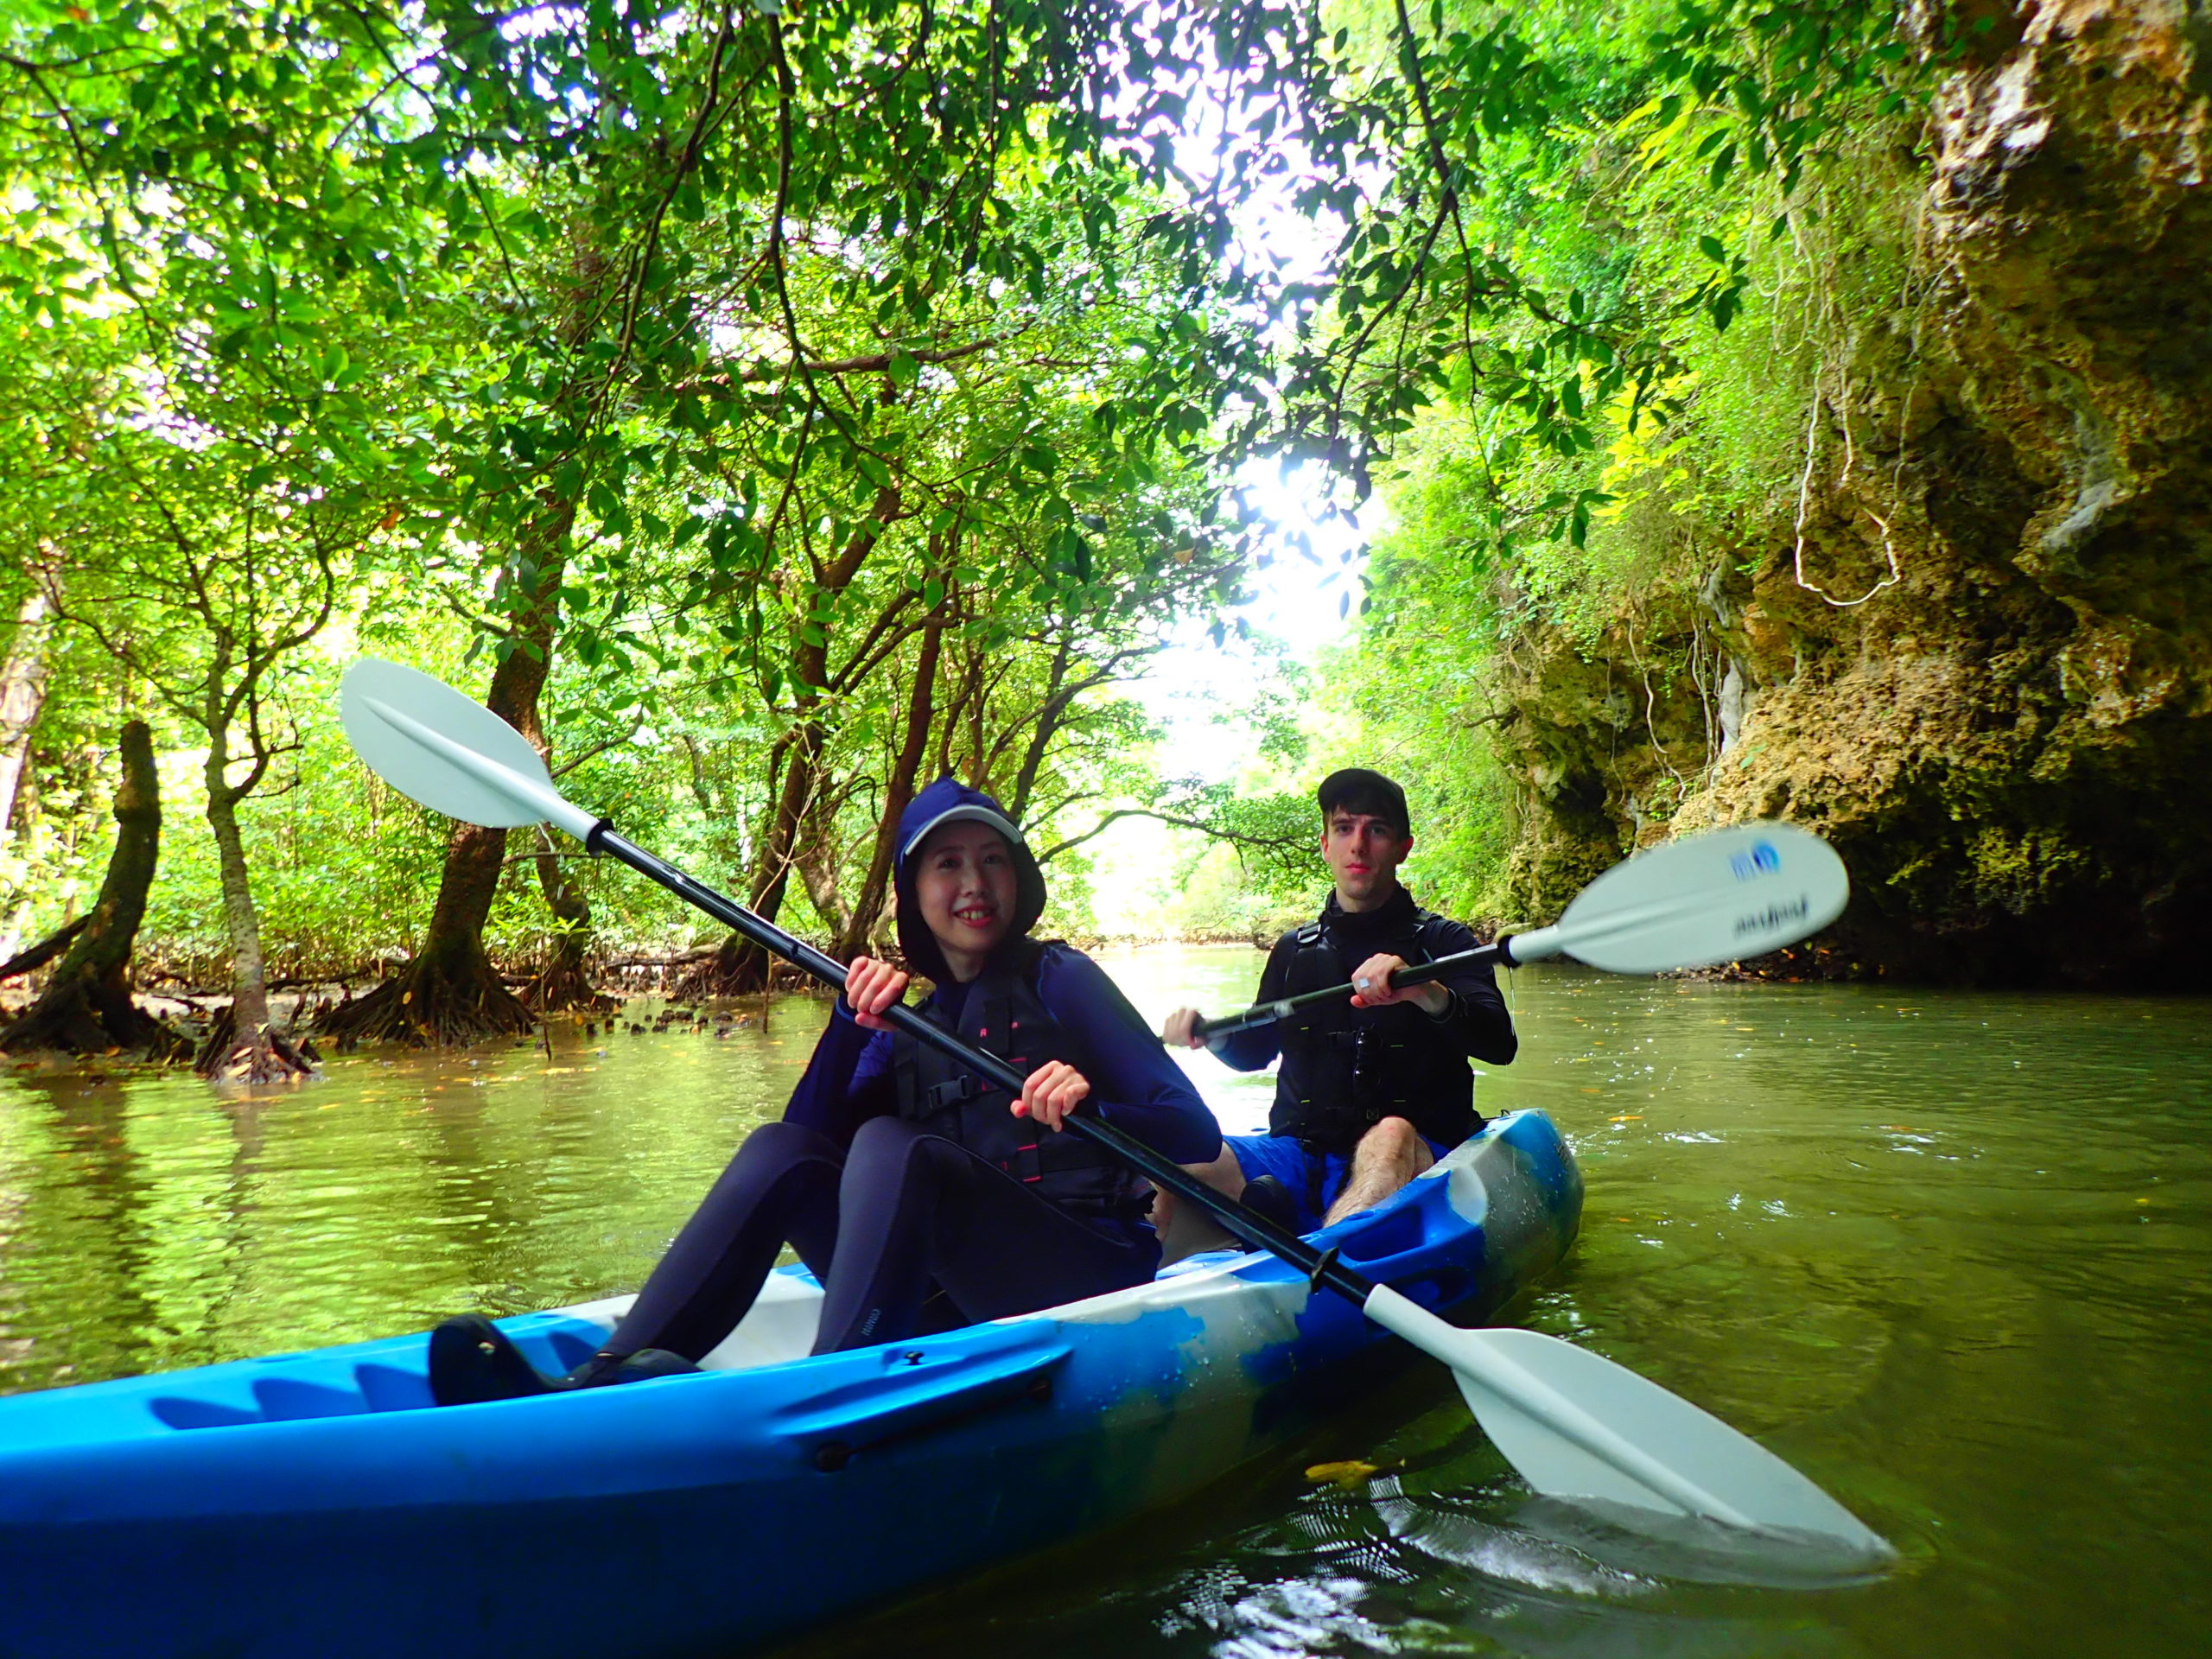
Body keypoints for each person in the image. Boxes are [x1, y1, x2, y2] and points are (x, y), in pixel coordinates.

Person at [429, 776, 1221, 1403]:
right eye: (948, 864)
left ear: (1018, 878)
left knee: (891, 1144)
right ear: (914, 893)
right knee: (787, 1147)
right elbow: (799, 1152)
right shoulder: (912, 1021)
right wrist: (849, 1024)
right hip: (955, 1292)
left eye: (992, 859)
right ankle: (600, 1379)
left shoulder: (1064, 980)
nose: (974, 881)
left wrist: (1090, 1107)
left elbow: (1192, 1131)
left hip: (1083, 1276)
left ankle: (823, 1388)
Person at [1156, 768, 1516, 1248]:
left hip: (1415, 1152)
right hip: (1297, 1154)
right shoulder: (1292, 950)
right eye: (1344, 829)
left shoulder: (1444, 941)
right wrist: (1209, 1033)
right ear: (1326, 845)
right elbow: (1254, 1052)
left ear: (1402, 848)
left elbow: (1498, 1043)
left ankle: (1325, 1268)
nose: (1359, 845)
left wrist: (1426, 990)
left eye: (1377, 830)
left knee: (1389, 1134)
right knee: (1169, 1158)